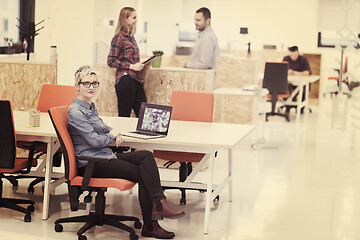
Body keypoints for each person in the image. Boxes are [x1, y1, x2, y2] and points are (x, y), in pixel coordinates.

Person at [67, 65, 184, 239]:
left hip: (104, 156)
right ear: (77, 85)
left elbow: (101, 127)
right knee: (145, 174)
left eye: (94, 83)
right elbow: (94, 140)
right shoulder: (75, 112)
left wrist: (113, 132)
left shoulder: (90, 108)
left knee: (146, 156)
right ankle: (152, 223)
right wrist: (111, 137)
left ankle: (159, 204)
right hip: (92, 162)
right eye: (86, 84)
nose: (91, 87)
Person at [107, 7, 149, 117]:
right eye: (134, 18)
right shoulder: (119, 37)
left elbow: (130, 59)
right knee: (124, 116)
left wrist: (142, 64)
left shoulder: (131, 37)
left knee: (144, 117)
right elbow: (111, 61)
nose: (137, 20)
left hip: (136, 80)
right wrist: (131, 66)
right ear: (125, 19)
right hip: (125, 80)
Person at [184, 7, 219, 89]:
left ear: (207, 21)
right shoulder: (202, 35)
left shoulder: (207, 37)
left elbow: (205, 64)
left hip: (204, 83)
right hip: (201, 82)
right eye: (195, 20)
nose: (195, 23)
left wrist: (187, 65)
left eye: (198, 20)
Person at [282, 46, 312, 113]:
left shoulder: (303, 59)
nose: (293, 55)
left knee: (303, 88)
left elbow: (307, 72)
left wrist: (295, 73)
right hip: (289, 82)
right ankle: (288, 106)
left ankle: (301, 108)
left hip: (301, 82)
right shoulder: (286, 58)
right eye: (291, 53)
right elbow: (281, 70)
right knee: (284, 86)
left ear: (297, 52)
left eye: (294, 53)